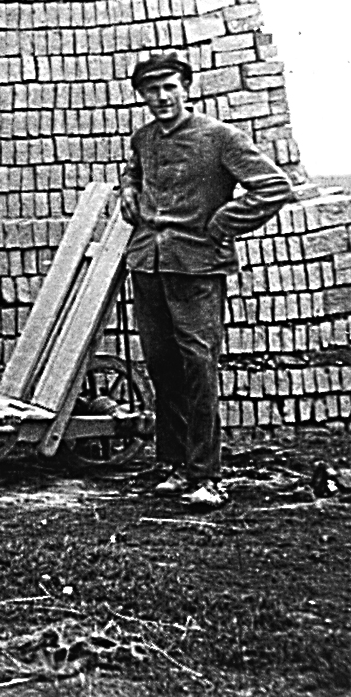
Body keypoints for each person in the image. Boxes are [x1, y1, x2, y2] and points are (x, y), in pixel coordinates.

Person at [120, 53, 292, 509]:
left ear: (187, 88)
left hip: (196, 268)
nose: (161, 97)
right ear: (141, 96)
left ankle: (206, 476)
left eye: (169, 87)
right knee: (162, 366)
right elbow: (134, 171)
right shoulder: (144, 138)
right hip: (149, 264)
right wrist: (129, 190)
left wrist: (223, 224)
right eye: (151, 90)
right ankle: (175, 466)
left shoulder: (220, 137)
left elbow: (273, 186)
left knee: (198, 367)